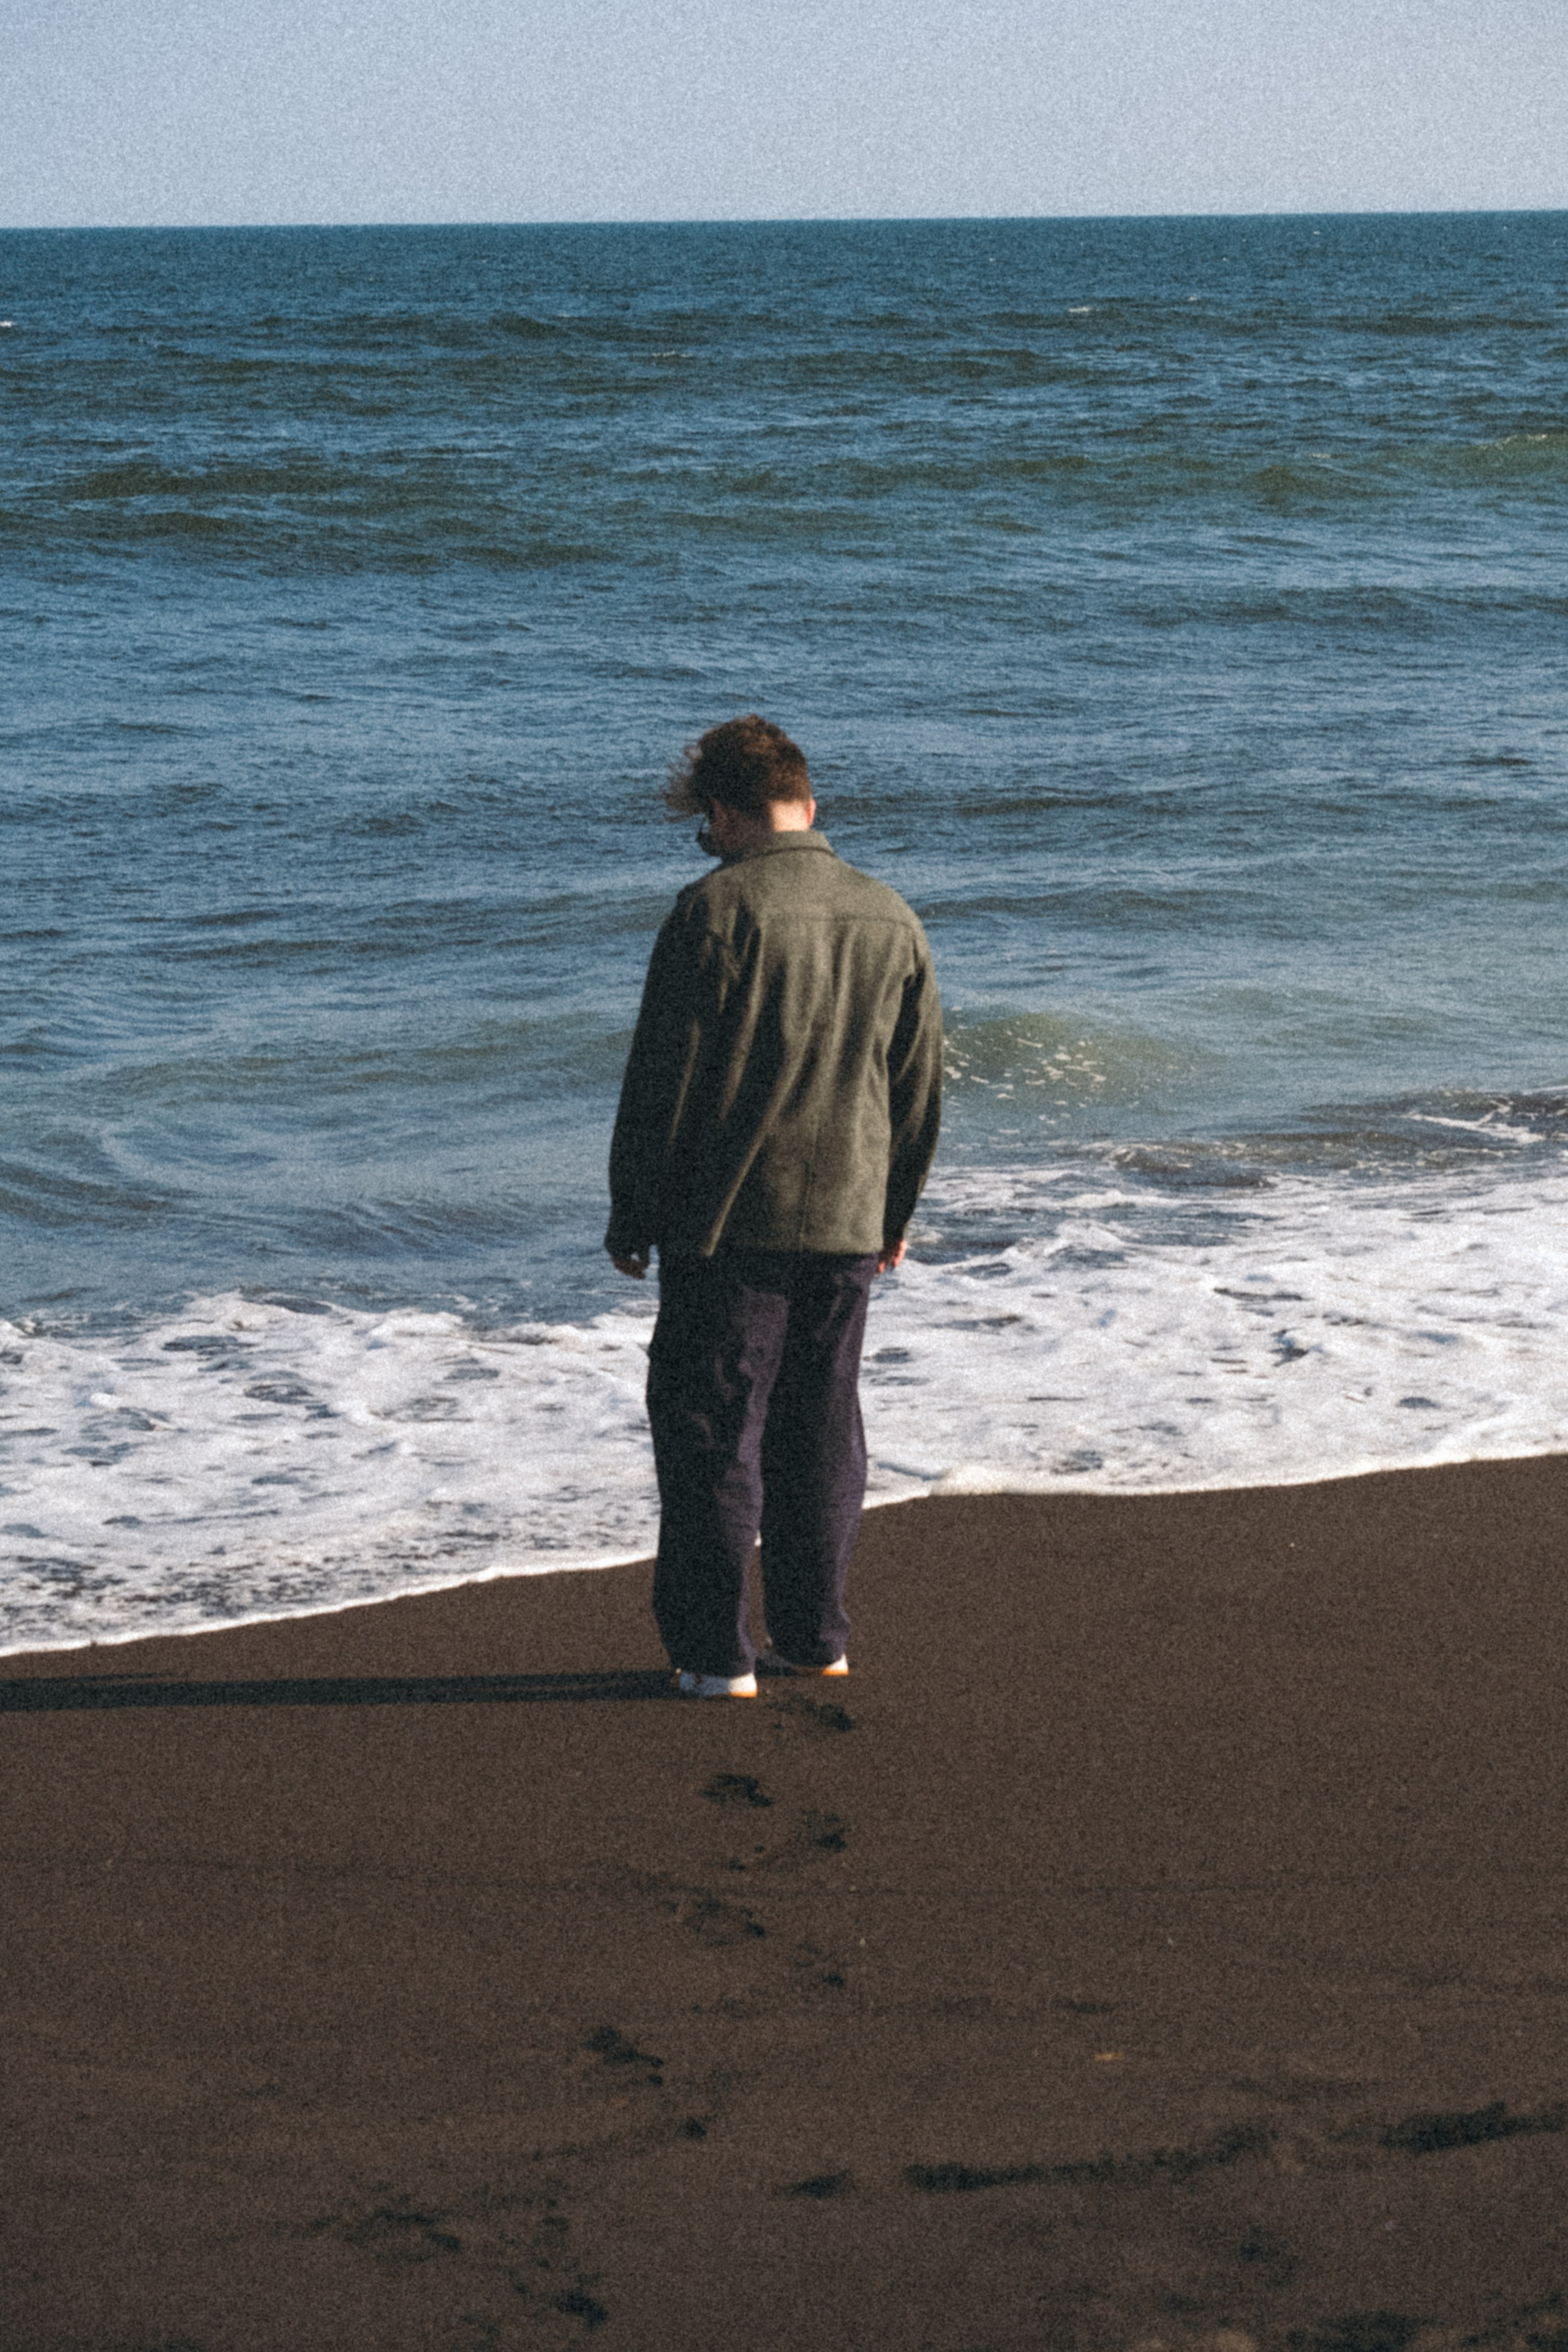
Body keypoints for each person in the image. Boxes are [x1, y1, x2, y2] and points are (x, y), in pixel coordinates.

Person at [606, 715, 943, 1697]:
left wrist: (633, 1214)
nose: (703, 841)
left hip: (729, 1224)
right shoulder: (891, 915)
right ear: (806, 799)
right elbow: (916, 1091)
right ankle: (815, 1636)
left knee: (716, 1431)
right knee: (822, 1428)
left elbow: (661, 1087)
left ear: (723, 810)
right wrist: (894, 1212)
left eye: (703, 823)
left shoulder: (713, 912)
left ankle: (717, 1655)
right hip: (847, 1219)